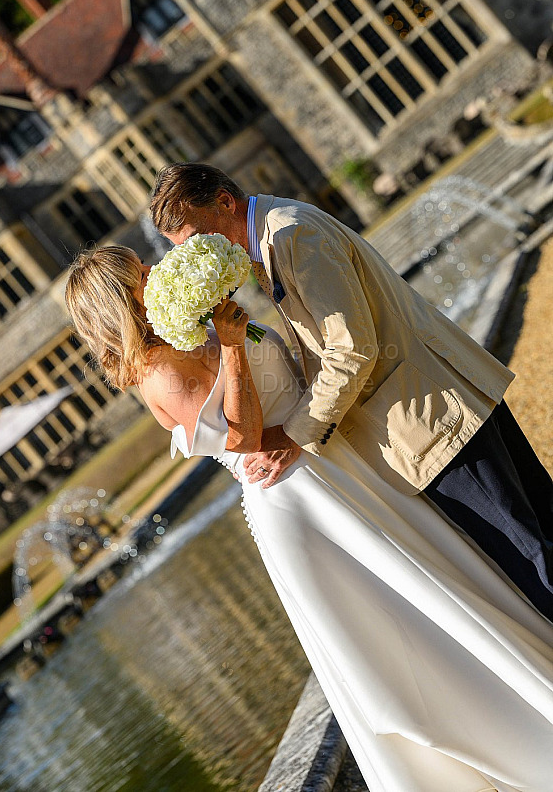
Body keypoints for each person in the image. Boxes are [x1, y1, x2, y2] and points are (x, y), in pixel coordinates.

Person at [65, 244, 553, 792]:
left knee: (446, 581)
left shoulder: (192, 327)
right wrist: (230, 344)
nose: (155, 272)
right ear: (120, 301)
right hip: (303, 503)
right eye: (140, 273)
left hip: (337, 462)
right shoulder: (157, 374)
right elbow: (241, 437)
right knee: (404, 638)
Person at [149, 162, 553, 621]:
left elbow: (352, 350)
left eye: (197, 237)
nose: (196, 254)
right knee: (541, 532)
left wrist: (295, 433)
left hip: (432, 419)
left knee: (532, 559)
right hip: (438, 403)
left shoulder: (291, 235)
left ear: (224, 202)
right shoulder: (272, 236)